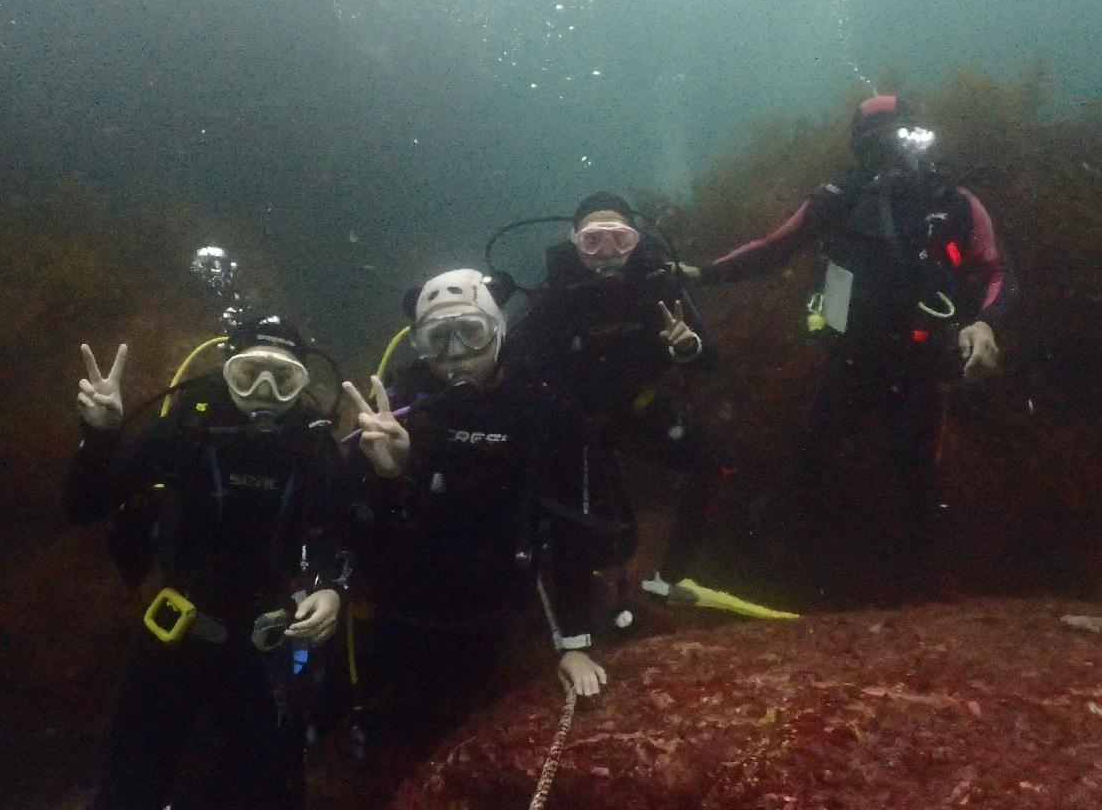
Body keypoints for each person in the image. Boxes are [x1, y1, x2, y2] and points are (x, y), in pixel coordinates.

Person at [683, 94, 1018, 550]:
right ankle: (778, 552)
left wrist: (986, 323)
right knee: (814, 460)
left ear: (916, 140)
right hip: (852, 353)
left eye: (896, 140)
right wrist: (701, 273)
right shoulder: (837, 201)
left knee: (915, 473)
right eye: (875, 145)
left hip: (921, 356)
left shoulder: (951, 201)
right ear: (859, 150)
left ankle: (913, 567)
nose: (889, 155)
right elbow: (775, 249)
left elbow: (996, 270)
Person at [66, 314, 350, 810]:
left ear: (302, 384)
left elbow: (338, 534)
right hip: (177, 631)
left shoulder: (313, 444)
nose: (264, 393)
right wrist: (101, 436)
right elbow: (82, 507)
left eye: (283, 379)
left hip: (270, 642)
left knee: (267, 792)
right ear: (226, 371)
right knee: (129, 786)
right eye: (248, 375)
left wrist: (332, 589)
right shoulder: (188, 424)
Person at [342, 268, 606, 775]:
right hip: (403, 601)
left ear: (499, 331)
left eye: (472, 331)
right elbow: (352, 521)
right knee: (387, 739)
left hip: (494, 603)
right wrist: (390, 473)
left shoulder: (542, 407)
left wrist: (574, 641)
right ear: (419, 345)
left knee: (471, 739)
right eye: (438, 338)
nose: (457, 352)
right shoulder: (399, 405)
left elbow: (570, 526)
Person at [505, 193, 791, 617]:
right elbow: (512, 360)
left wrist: (687, 347)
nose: (607, 253)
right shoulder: (555, 293)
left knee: (714, 463)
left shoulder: (658, 283)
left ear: (636, 241)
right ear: (574, 243)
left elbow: (709, 358)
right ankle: (564, 592)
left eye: (620, 239)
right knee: (605, 535)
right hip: (573, 425)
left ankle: (671, 577)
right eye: (593, 241)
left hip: (636, 409)